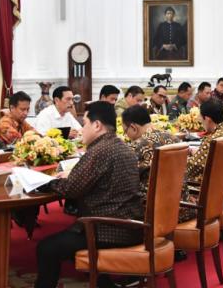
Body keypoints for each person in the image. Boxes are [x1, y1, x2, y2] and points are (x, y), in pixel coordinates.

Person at [35, 101, 143, 288]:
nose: (81, 130)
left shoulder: (100, 150)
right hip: (131, 225)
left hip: (108, 230)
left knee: (46, 248)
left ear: (97, 125)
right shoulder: (120, 145)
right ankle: (103, 283)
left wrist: (42, 182)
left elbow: (70, 189)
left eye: (84, 123)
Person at [122, 105, 194, 223]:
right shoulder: (174, 139)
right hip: (183, 207)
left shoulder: (137, 146)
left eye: (126, 131)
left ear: (133, 127)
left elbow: (128, 181)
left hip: (155, 213)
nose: (126, 136)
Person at [186, 99, 223, 186]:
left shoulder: (212, 140)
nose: (200, 120)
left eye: (201, 118)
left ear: (208, 119)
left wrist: (178, 159)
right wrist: (197, 152)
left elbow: (192, 168)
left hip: (206, 187)